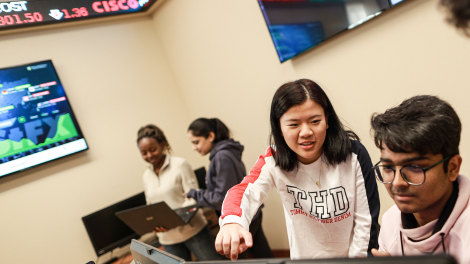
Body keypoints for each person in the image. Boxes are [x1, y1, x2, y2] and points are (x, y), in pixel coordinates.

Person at [215, 79, 380, 260]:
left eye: (315, 121)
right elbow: (244, 190)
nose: (305, 132)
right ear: (279, 128)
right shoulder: (273, 159)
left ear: (327, 120)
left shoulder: (353, 154)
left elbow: (366, 221)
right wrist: (232, 222)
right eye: (294, 125)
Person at [370, 95, 470, 263]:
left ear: (452, 167)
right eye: (388, 168)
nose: (397, 183)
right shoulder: (391, 220)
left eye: (415, 167)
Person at [186, 118, 275, 258]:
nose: (194, 147)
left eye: (196, 142)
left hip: (241, 216)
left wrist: (195, 194)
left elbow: (221, 198)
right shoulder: (226, 152)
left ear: (210, 136)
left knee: (247, 257)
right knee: (263, 255)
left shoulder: (222, 156)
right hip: (250, 213)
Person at [137, 124, 223, 261]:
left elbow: (193, 197)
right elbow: (150, 205)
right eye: (144, 153)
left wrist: (174, 219)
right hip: (168, 239)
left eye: (152, 150)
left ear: (162, 145)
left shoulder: (180, 164)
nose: (149, 155)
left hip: (194, 232)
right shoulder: (146, 176)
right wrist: (154, 224)